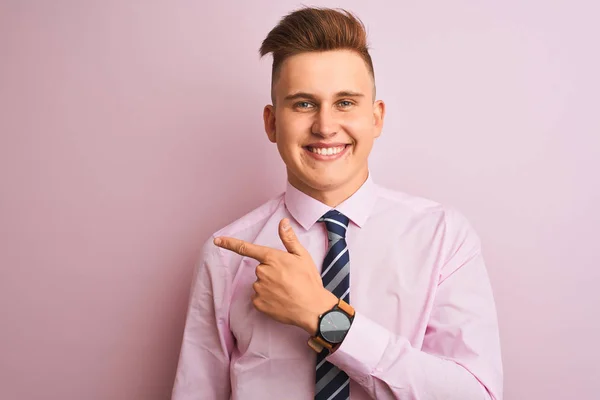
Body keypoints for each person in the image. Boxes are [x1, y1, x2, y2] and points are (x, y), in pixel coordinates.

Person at [171, 7, 503, 400]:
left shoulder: (443, 237)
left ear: (376, 118)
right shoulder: (225, 254)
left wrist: (326, 319)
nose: (325, 126)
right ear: (272, 123)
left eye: (345, 102)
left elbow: (475, 395)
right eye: (303, 104)